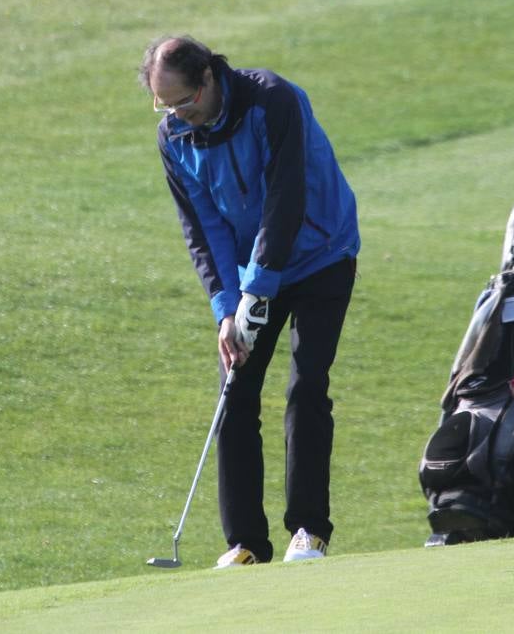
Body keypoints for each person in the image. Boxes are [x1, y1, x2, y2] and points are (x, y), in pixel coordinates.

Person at [139, 35, 360, 567]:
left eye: (184, 102)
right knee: (235, 392)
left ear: (209, 78)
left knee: (306, 387)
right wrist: (226, 306)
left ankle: (309, 531)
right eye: (164, 105)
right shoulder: (174, 137)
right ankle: (245, 544)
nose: (177, 115)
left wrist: (259, 289)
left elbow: (286, 196)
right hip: (249, 274)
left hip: (322, 251)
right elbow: (203, 227)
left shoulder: (273, 101)